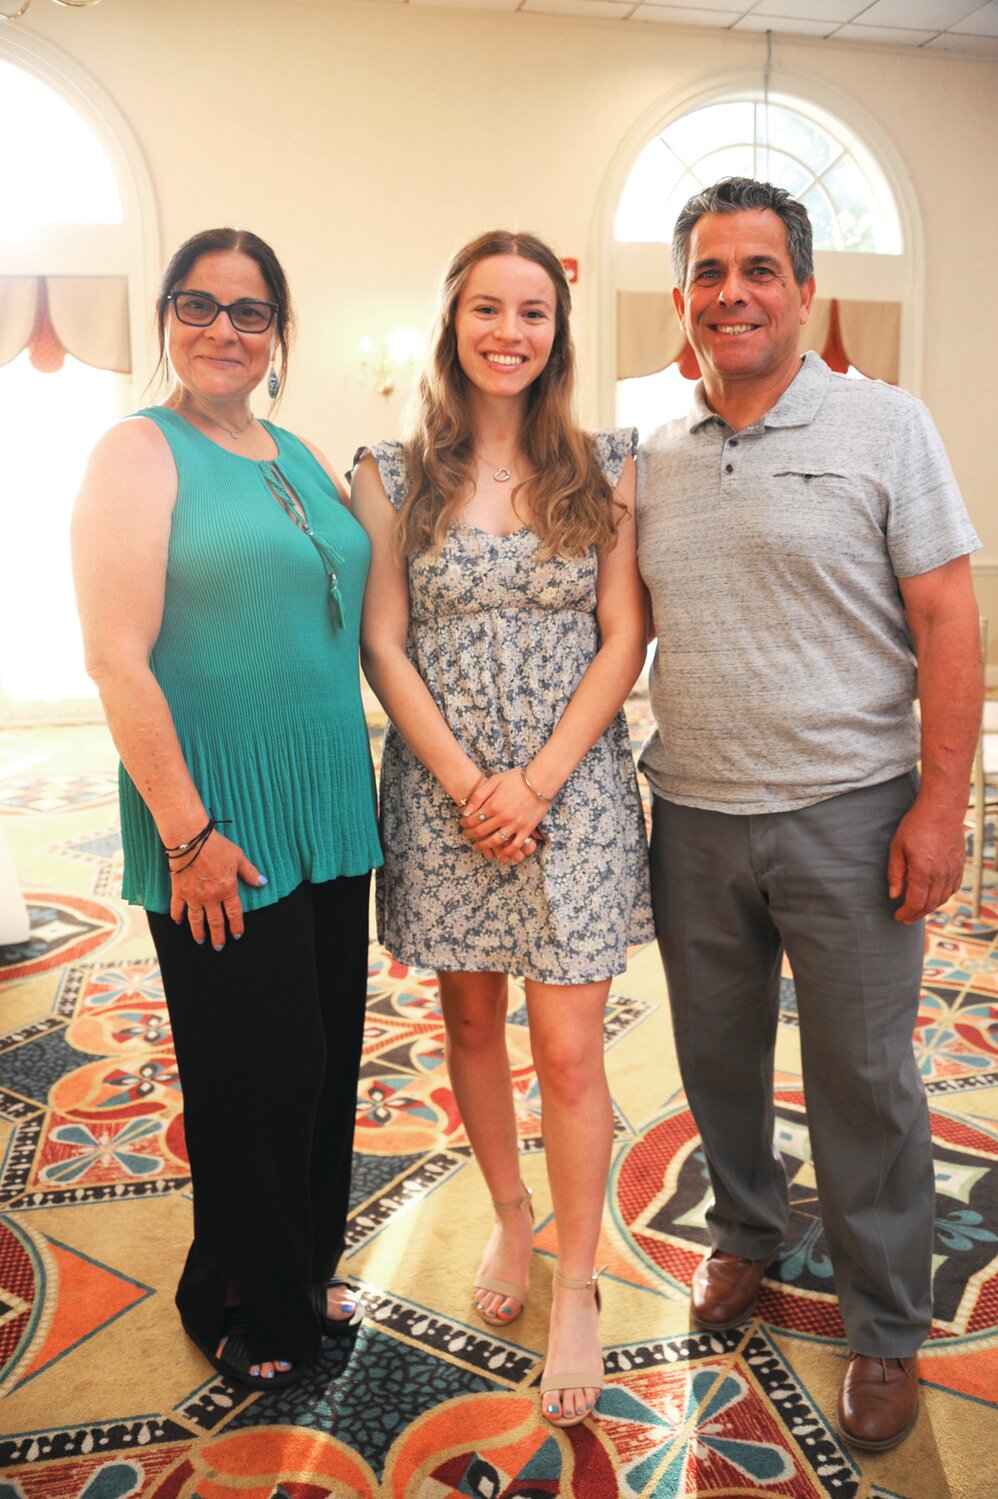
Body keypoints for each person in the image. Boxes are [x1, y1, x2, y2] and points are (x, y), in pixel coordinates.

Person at [638, 177, 982, 1452]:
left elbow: (950, 618)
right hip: (693, 813)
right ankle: (741, 1231)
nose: (733, 291)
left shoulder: (887, 426)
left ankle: (884, 1322)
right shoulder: (652, 457)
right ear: (681, 299)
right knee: (716, 1064)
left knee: (863, 1081)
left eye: (758, 269)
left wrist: (940, 806)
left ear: (802, 290)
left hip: (851, 812)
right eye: (710, 272)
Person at [352, 230, 654, 1428]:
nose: (510, 332)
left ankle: (575, 1280)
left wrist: (532, 781)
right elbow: (382, 638)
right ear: (453, 322)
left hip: (569, 790)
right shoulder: (387, 470)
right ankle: (509, 1210)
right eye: (488, 308)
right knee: (468, 1012)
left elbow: (622, 633)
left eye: (532, 312)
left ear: (556, 331)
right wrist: (472, 781)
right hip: (441, 790)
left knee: (571, 1048)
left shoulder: (605, 465)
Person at [71, 227, 382, 1391]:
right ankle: (235, 1293)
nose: (222, 329)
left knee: (321, 1057)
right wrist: (187, 833)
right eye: (198, 305)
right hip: (215, 815)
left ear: (277, 333)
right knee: (249, 1068)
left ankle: (299, 1263)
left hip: (321, 803)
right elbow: (115, 658)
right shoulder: (135, 453)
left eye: (249, 313)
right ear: (166, 317)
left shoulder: (293, 450)